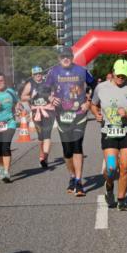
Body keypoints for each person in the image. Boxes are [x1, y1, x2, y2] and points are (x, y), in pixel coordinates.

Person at [91, 59, 127, 211]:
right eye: (119, 74)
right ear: (113, 72)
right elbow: (93, 104)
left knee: (125, 167)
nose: (121, 77)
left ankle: (121, 199)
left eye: (124, 75)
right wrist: (96, 114)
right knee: (112, 168)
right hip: (109, 132)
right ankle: (109, 186)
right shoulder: (101, 88)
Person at [44, 47, 94, 196]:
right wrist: (50, 98)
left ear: (72, 58)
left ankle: (79, 181)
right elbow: (45, 89)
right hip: (62, 116)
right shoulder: (53, 72)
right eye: (63, 56)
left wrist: (88, 102)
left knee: (77, 147)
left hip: (79, 114)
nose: (65, 59)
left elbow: (94, 85)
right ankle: (72, 176)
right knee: (67, 151)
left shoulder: (82, 71)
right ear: (59, 59)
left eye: (68, 56)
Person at [20, 66, 55, 168]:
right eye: (35, 74)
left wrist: (52, 96)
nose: (38, 75)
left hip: (48, 111)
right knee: (41, 138)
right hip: (36, 113)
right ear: (32, 75)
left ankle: (44, 157)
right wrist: (31, 96)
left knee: (47, 135)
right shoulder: (30, 84)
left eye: (39, 73)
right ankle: (42, 155)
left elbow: (55, 93)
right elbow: (22, 97)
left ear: (42, 73)